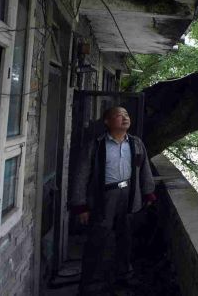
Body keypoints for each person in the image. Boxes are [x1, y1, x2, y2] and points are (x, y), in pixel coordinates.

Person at [70, 106, 156, 294]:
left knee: (125, 238)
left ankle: (124, 275)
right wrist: (80, 205)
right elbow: (81, 175)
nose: (125, 118)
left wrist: (148, 193)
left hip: (129, 194)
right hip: (104, 197)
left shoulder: (136, 143)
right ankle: (90, 284)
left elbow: (145, 170)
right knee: (97, 239)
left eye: (126, 114)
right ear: (107, 121)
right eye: (119, 115)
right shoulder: (96, 145)